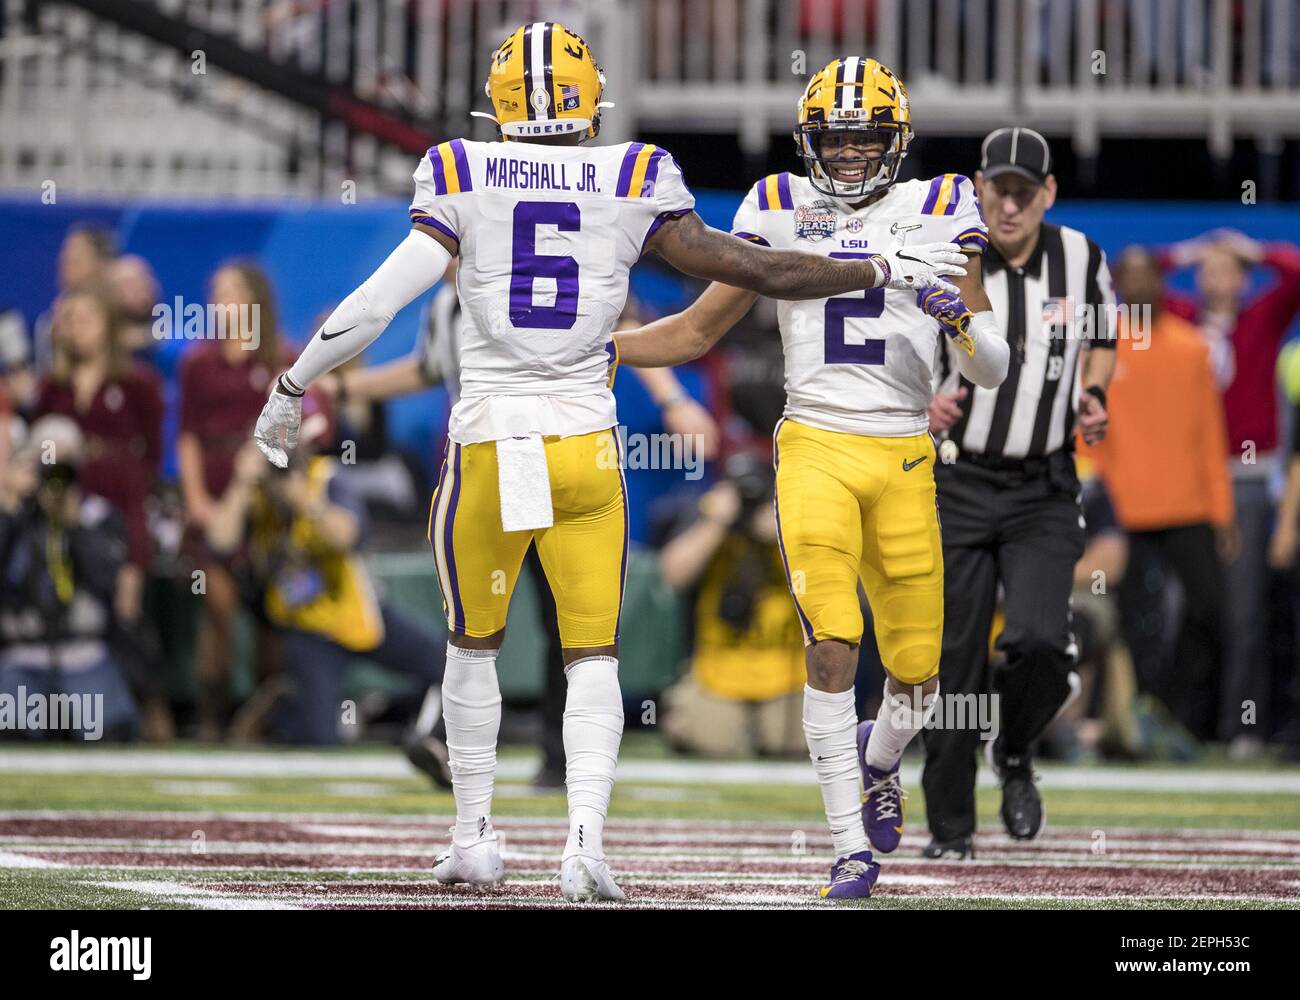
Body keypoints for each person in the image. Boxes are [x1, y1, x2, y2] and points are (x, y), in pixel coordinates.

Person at [252, 26, 965, 902]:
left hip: (488, 440)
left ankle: (475, 837)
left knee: (473, 644)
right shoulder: (632, 175)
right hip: (586, 448)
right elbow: (750, 270)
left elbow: (381, 300)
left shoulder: (459, 171)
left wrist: (294, 382)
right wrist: (875, 265)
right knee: (593, 655)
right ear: (592, 104)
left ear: (498, 106)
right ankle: (585, 843)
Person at [615, 56, 1005, 898]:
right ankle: (848, 850)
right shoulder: (775, 204)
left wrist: (960, 329)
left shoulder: (941, 206)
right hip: (815, 444)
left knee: (920, 675)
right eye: (837, 137)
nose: (853, 152)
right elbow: (692, 332)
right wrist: (596, 346)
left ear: (895, 140)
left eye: (868, 136)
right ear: (810, 140)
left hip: (903, 453)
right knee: (831, 641)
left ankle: (879, 759)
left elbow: (988, 364)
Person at [319, 275, 719, 786]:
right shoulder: (450, 302)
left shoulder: (521, 280)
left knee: (547, 611)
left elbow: (611, 330)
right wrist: (345, 385)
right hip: (485, 462)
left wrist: (673, 400)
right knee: (484, 611)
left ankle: (538, 749)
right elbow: (429, 368)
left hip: (535, 454)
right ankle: (471, 740)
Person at [921, 127, 1117, 857]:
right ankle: (949, 827)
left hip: (1042, 481)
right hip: (957, 478)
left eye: (1023, 194)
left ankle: (1015, 751)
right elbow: (904, 350)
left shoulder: (1081, 257)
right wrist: (922, 404)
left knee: (1038, 640)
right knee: (954, 652)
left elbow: (1102, 339)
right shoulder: (947, 255)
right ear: (978, 186)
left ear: (1048, 195)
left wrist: (1094, 394)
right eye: (997, 191)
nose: (1008, 207)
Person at [206, 413, 448, 762]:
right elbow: (220, 542)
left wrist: (303, 500)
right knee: (320, 739)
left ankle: (375, 711)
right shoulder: (254, 492)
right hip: (307, 627)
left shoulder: (326, 476)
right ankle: (287, 708)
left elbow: (348, 536)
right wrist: (241, 485)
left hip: (357, 613)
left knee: (443, 665)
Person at [1154, 231, 1300, 755]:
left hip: (1249, 479)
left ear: (1242, 278)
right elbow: (1133, 282)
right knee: (1182, 607)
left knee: (1246, 611)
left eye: (1228, 270)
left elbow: (1297, 274)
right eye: (1209, 271)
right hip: (1189, 482)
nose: (1218, 279)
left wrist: (1254, 250)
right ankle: (1177, 725)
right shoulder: (1180, 321)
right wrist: (1185, 252)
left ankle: (1244, 728)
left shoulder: (1260, 321)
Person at [1081, 247, 1233, 742]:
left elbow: (1210, 436)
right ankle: (1126, 728)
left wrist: (1222, 512)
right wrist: (1092, 501)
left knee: (1208, 608)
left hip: (1187, 506)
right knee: (1126, 624)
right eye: (1133, 276)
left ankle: (1162, 709)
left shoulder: (1192, 349)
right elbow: (1089, 432)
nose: (1143, 284)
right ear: (1120, 285)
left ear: (1164, 284)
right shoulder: (1103, 348)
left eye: (1151, 274)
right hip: (1123, 509)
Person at [178, 261, 292, 740]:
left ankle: (263, 717)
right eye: (215, 293)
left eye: (228, 293)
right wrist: (197, 498)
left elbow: (289, 434)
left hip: (263, 503)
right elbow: (187, 436)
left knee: (271, 615)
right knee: (217, 602)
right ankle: (211, 714)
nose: (219, 303)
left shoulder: (282, 359)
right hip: (216, 493)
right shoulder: (198, 363)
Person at [0, 416, 139, 740]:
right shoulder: (16, 518)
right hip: (23, 653)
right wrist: (11, 512)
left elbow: (107, 582)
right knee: (12, 734)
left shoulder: (97, 516)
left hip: (83, 653)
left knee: (110, 732)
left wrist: (74, 527)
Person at [658, 454, 805, 758]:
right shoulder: (708, 517)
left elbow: (828, 583)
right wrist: (715, 523)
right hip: (717, 676)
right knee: (707, 740)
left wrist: (782, 533)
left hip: (787, 676)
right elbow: (672, 573)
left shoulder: (794, 520)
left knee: (792, 744)